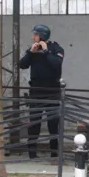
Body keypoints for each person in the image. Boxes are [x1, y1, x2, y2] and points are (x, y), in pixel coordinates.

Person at [18, 24, 64, 159]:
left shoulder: (56, 48)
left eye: (35, 35)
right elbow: (22, 64)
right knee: (34, 122)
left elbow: (56, 64)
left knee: (53, 122)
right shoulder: (34, 49)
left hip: (53, 91)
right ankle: (32, 152)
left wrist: (46, 51)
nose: (33, 37)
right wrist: (31, 53)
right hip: (36, 91)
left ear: (42, 36)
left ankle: (54, 152)